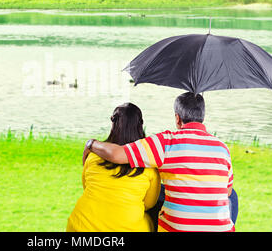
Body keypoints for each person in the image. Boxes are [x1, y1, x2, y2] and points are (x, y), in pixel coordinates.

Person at [83, 92, 236, 232]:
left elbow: (117, 154)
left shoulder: (166, 142)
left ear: (177, 118)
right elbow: (227, 192)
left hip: (176, 229)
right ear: (203, 116)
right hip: (221, 229)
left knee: (156, 191)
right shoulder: (223, 148)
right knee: (232, 195)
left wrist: (91, 144)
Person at [67, 103, 161, 232]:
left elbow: (86, 187)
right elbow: (149, 204)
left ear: (113, 123)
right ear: (140, 125)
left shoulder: (93, 155)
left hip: (80, 226)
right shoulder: (149, 166)